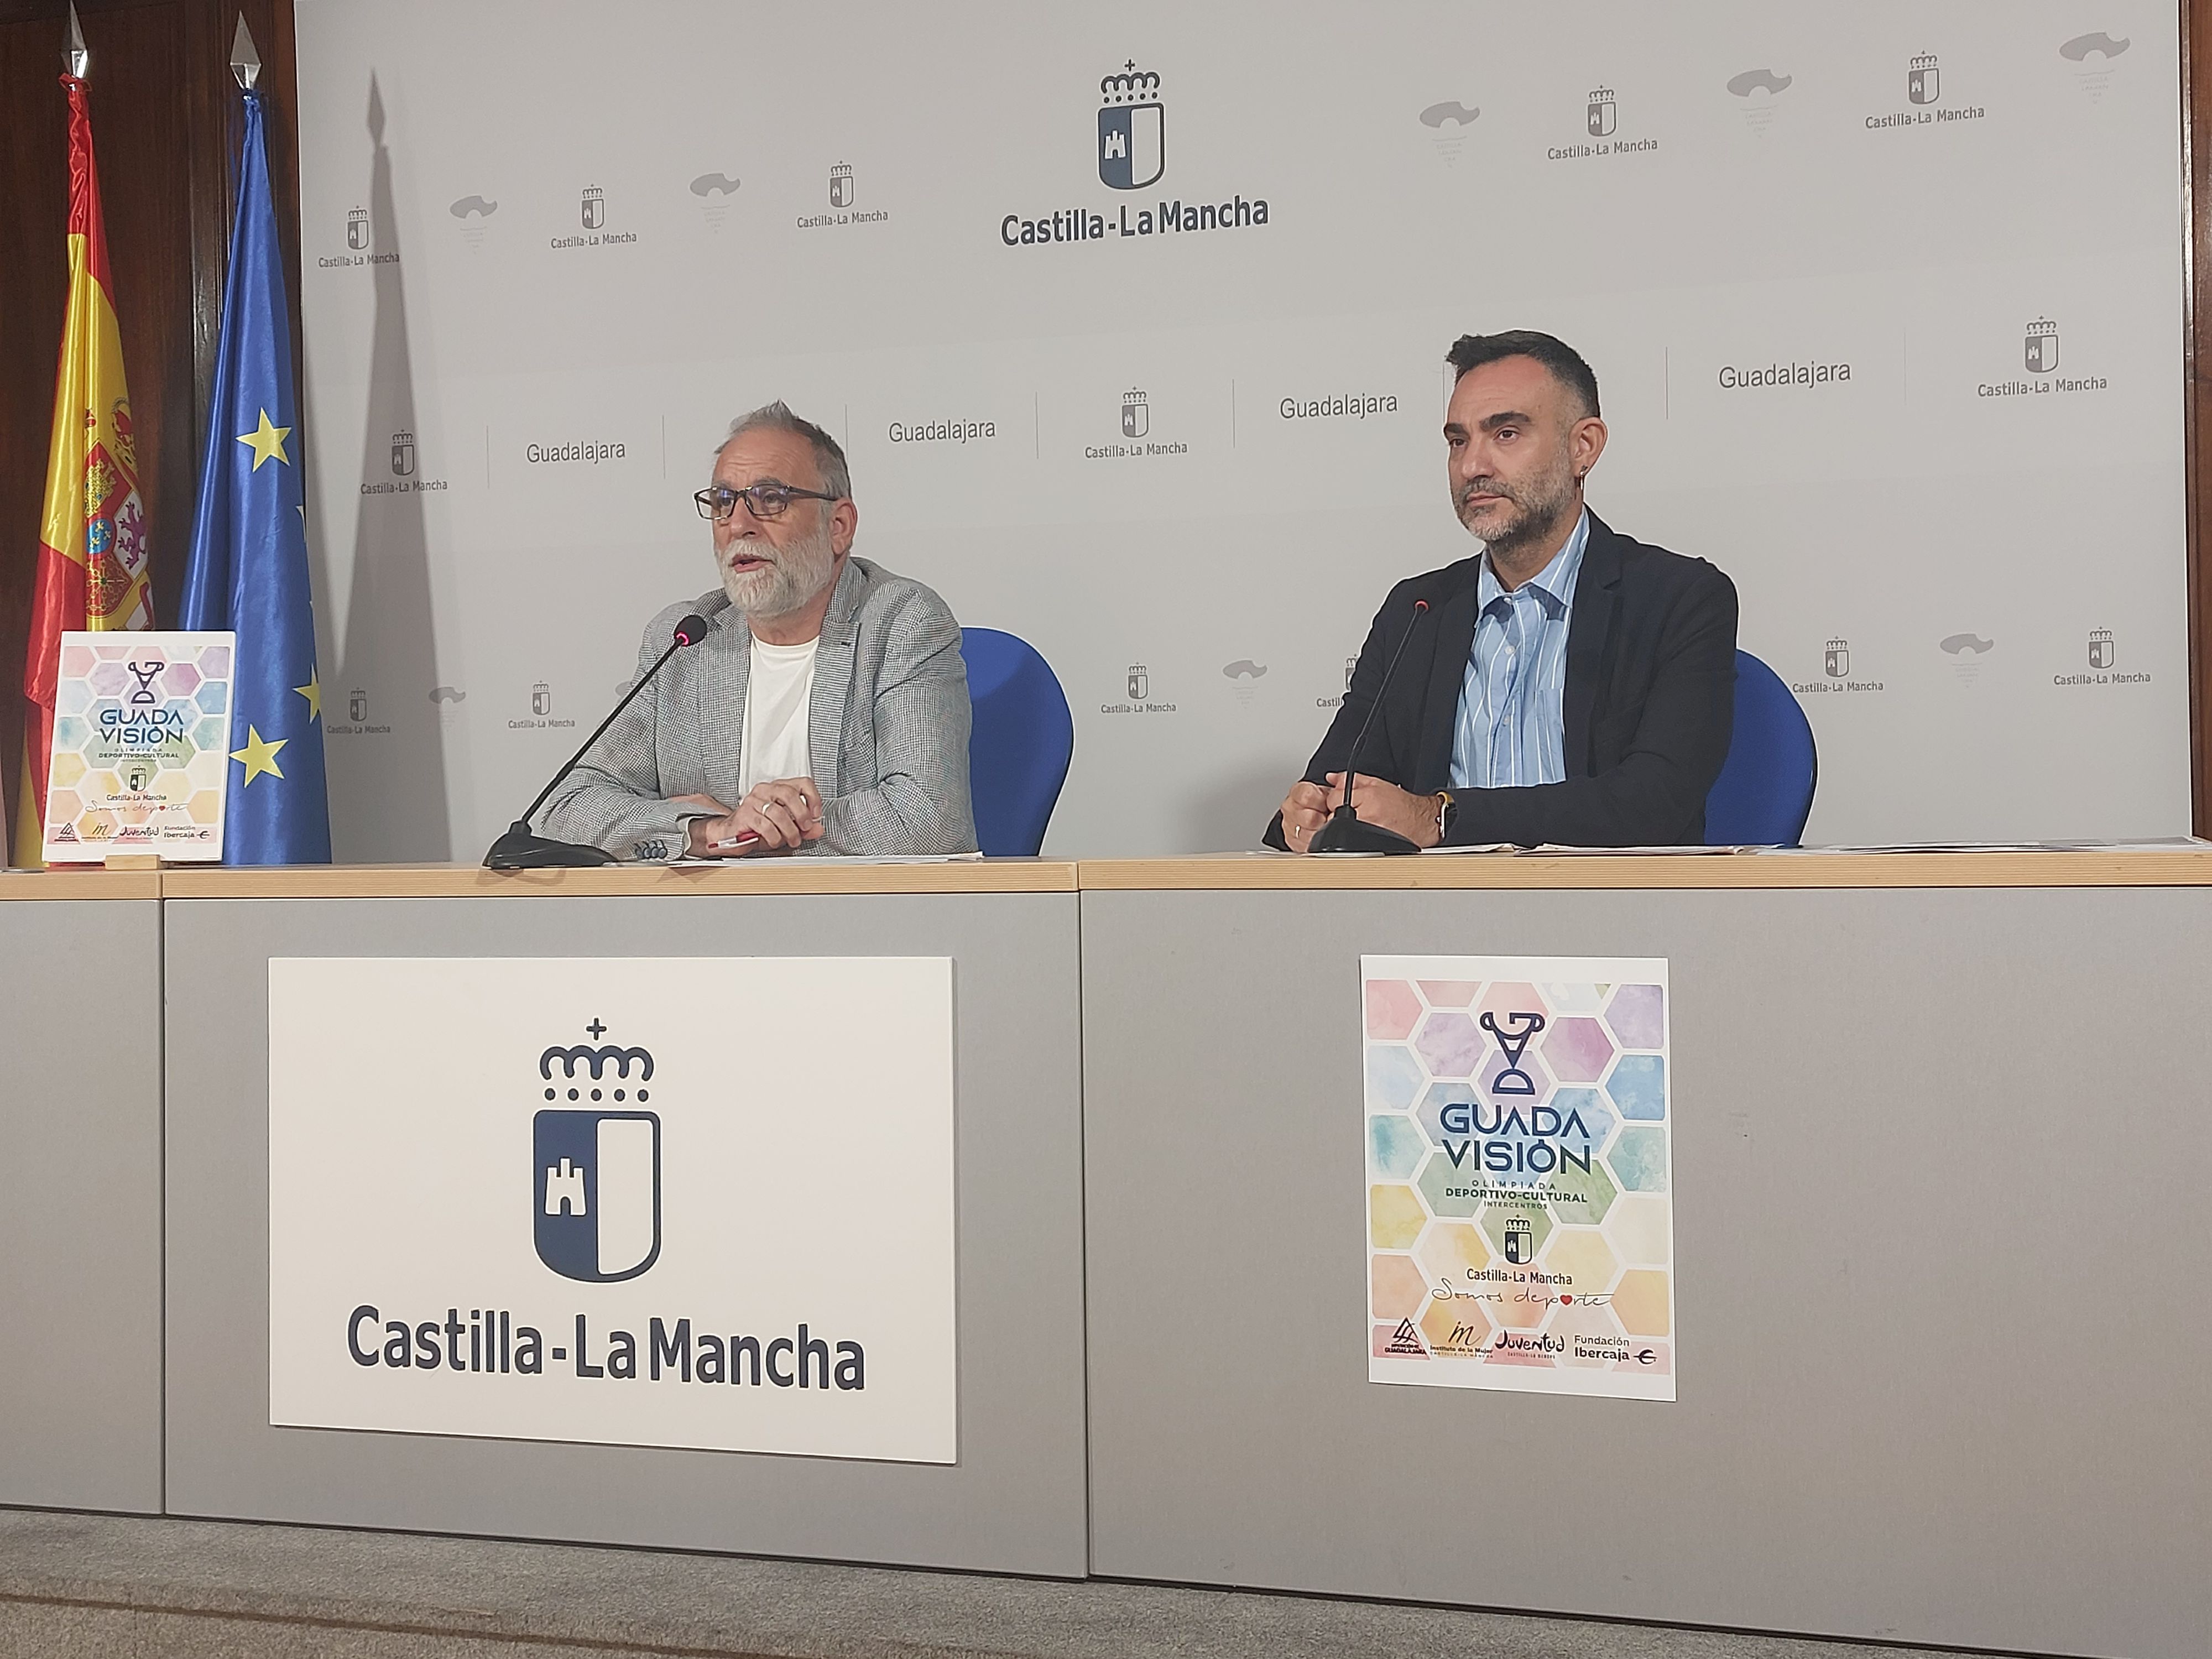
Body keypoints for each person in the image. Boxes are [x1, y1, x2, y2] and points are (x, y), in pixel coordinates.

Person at [1269, 331, 1737, 851]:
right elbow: (1340, 781)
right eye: (1458, 442)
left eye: (1506, 434)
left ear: (1583, 447)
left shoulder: (1678, 599)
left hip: (1613, 897)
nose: (1473, 467)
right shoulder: (1418, 611)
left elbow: (1653, 804)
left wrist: (1440, 818)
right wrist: (1311, 814)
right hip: (1432, 902)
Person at [538, 402, 976, 860]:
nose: (739, 525)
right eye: (723, 503)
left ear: (839, 526)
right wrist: (706, 832)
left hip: (868, 905)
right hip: (713, 908)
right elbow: (568, 808)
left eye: (771, 499)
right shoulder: (685, 639)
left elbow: (930, 820)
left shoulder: (902, 623)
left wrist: (760, 832)